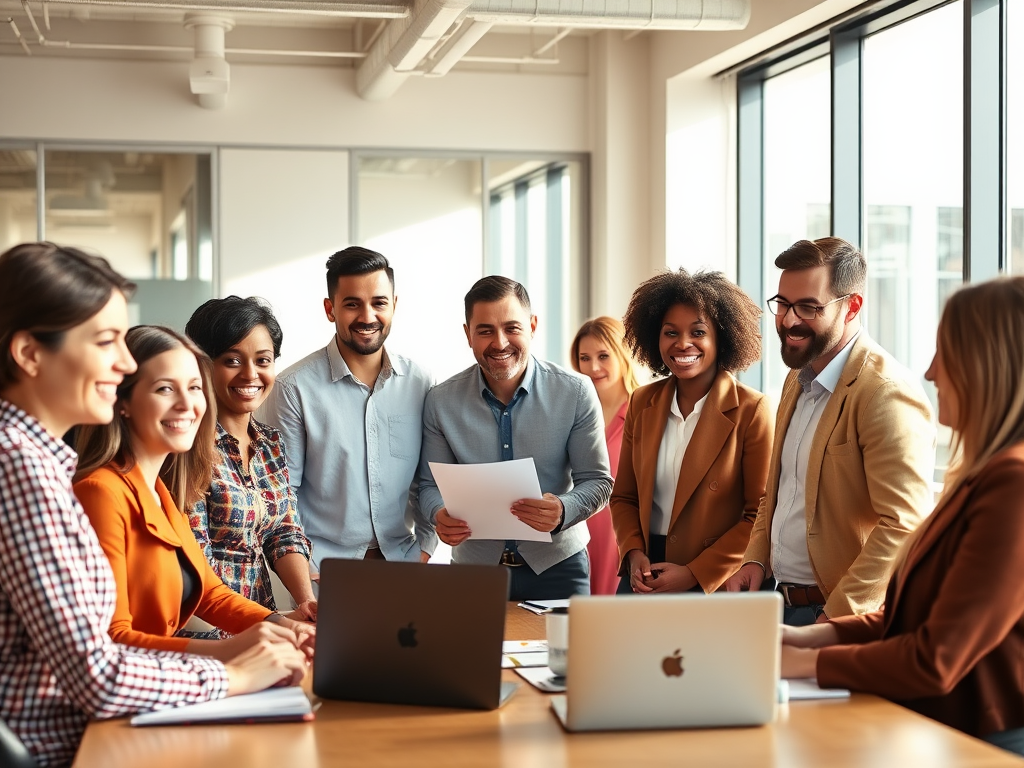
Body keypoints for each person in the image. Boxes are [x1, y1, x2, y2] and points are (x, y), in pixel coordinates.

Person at [0, 243, 305, 768]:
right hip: (63, 748)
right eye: (105, 342)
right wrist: (232, 672)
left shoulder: (47, 465)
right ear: (29, 354)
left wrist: (274, 628)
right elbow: (99, 672)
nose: (123, 363)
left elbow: (203, 590)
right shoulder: (22, 468)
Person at [781, 276, 1024, 757]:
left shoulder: (1012, 485)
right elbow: (907, 621)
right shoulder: (981, 475)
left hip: (985, 740)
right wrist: (803, 638)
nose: (931, 373)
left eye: (944, 353)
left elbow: (935, 658)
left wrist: (797, 663)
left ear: (987, 365)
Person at [723, 237, 935, 624]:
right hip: (779, 605)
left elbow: (905, 524)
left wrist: (836, 616)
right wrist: (755, 558)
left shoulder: (884, 393)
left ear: (851, 306)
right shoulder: (796, 378)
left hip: (838, 618)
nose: (788, 320)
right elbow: (780, 489)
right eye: (783, 304)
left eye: (808, 307)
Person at [73, 325, 315, 659]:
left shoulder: (159, 491)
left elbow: (209, 593)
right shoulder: (100, 493)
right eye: (165, 389)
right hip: (134, 687)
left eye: (194, 388)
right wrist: (232, 651)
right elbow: (112, 638)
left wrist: (283, 625)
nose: (187, 404)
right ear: (123, 401)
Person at [418, 276, 613, 601]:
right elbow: (428, 486)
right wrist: (439, 514)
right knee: (473, 654)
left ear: (533, 326)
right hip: (474, 571)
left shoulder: (576, 392)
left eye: (512, 328)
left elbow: (597, 481)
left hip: (560, 567)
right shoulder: (440, 401)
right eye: (485, 330)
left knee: (565, 654)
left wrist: (564, 510)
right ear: (468, 334)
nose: (500, 342)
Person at [261, 247, 435, 565]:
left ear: (394, 306)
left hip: (404, 562)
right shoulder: (293, 388)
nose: (367, 317)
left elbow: (429, 482)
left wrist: (423, 551)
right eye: (352, 304)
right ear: (330, 309)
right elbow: (285, 498)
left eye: (379, 303)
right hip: (324, 569)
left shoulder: (420, 382)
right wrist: (306, 573)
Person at [610, 270, 773, 594]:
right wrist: (633, 553)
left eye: (698, 332)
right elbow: (624, 497)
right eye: (671, 332)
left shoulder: (751, 410)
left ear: (721, 338)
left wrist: (694, 573)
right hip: (643, 577)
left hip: (715, 580)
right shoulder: (642, 402)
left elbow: (759, 515)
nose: (683, 343)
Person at [184, 297, 316, 620]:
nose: (250, 374)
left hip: (265, 624)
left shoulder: (270, 442)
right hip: (209, 634)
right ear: (202, 364)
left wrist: (307, 604)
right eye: (232, 360)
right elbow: (197, 564)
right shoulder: (187, 447)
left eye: (263, 360)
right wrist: (277, 623)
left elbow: (284, 532)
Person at [570, 317, 639, 595]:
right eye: (584, 358)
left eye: (603, 356)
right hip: (575, 534)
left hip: (620, 538)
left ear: (623, 355)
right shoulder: (574, 414)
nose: (593, 367)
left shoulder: (645, 413)